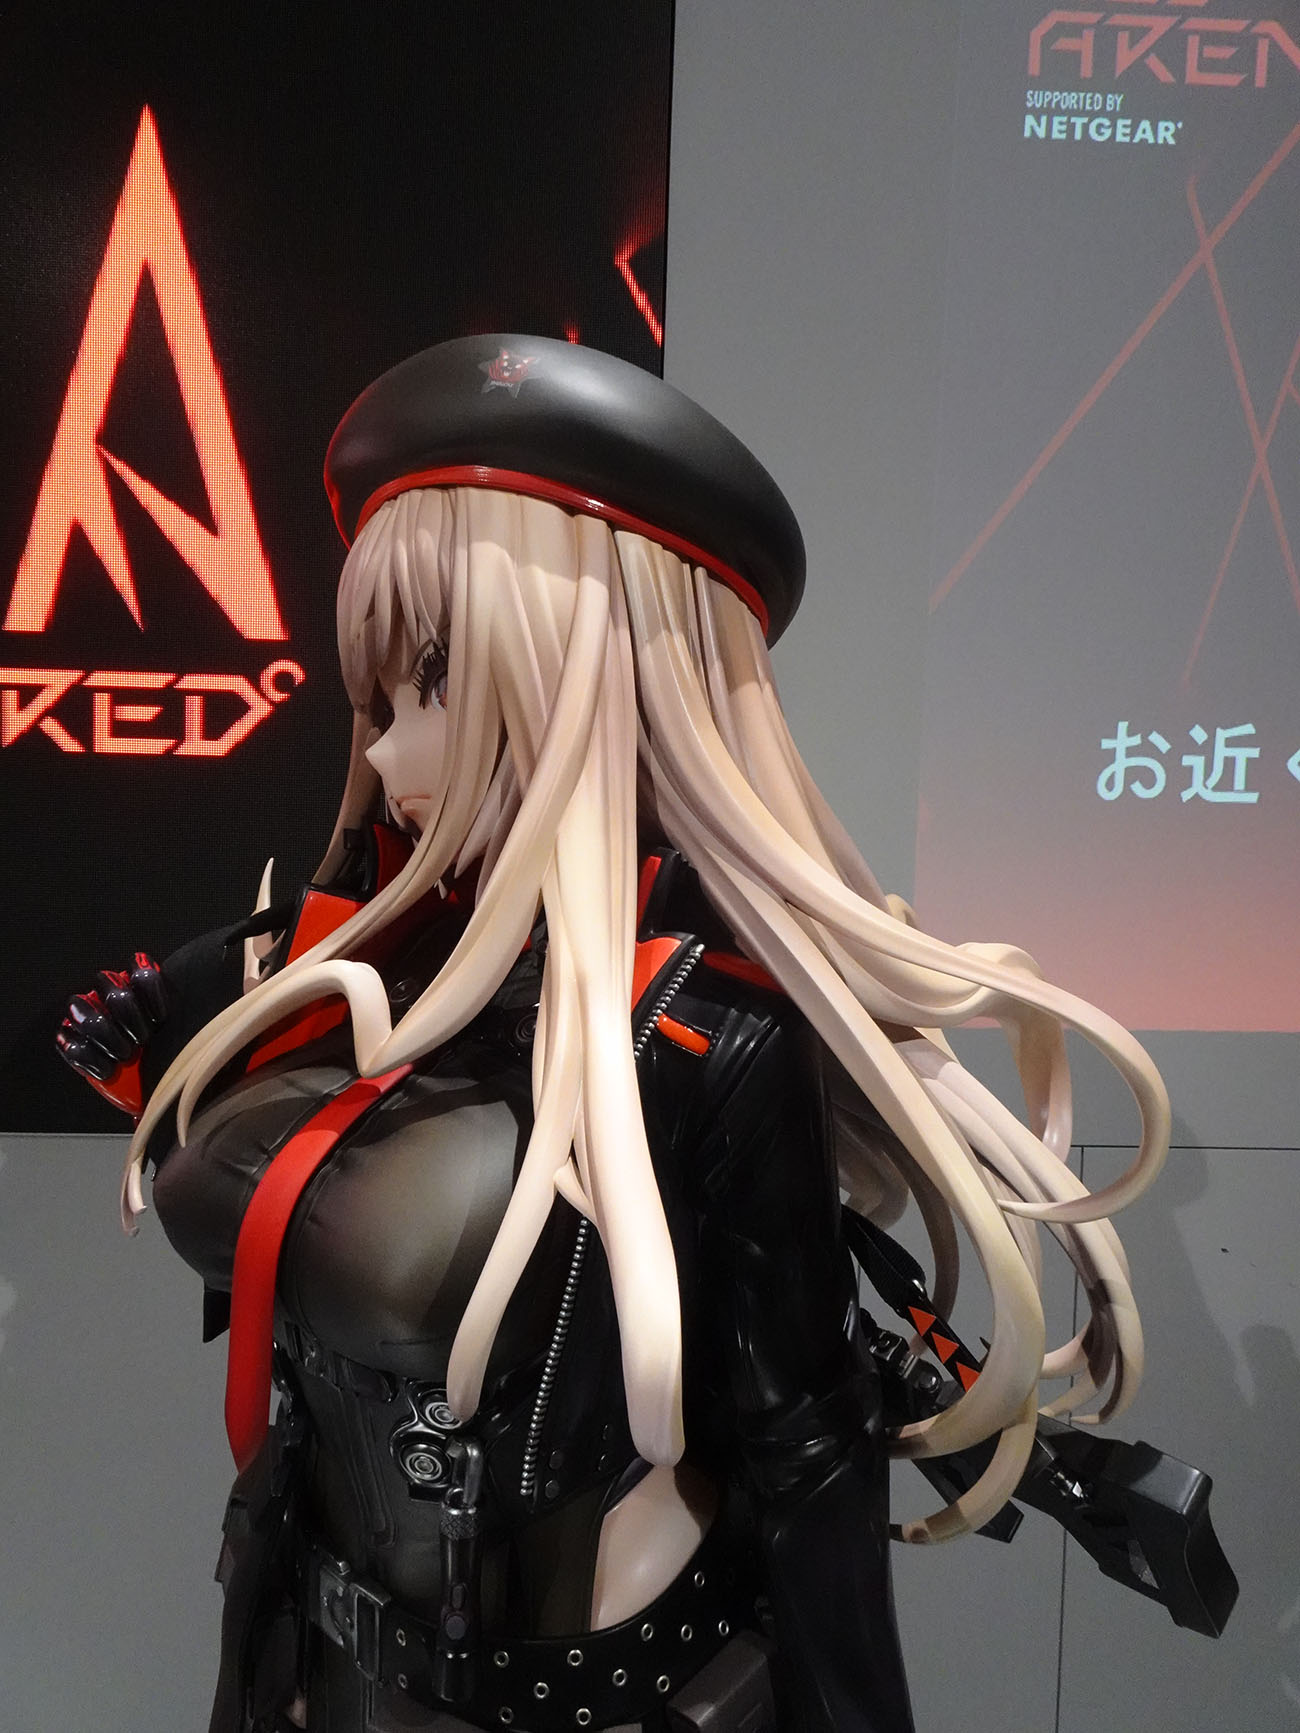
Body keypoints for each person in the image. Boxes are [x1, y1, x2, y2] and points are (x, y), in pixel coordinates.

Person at [59, 335, 1171, 1733]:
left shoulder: (706, 1033)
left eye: (437, 680)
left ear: (596, 673)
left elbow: (809, 1455)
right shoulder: (353, 965)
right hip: (317, 1660)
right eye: (376, 700)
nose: (388, 752)